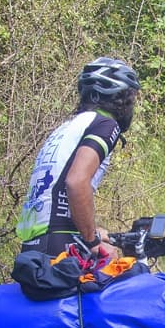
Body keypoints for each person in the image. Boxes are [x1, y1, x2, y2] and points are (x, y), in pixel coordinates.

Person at [16, 56, 140, 261]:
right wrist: (91, 241)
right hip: (60, 246)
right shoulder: (105, 125)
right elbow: (76, 182)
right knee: (130, 281)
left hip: (34, 247)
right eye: (131, 99)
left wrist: (92, 229)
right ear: (122, 99)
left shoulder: (68, 127)